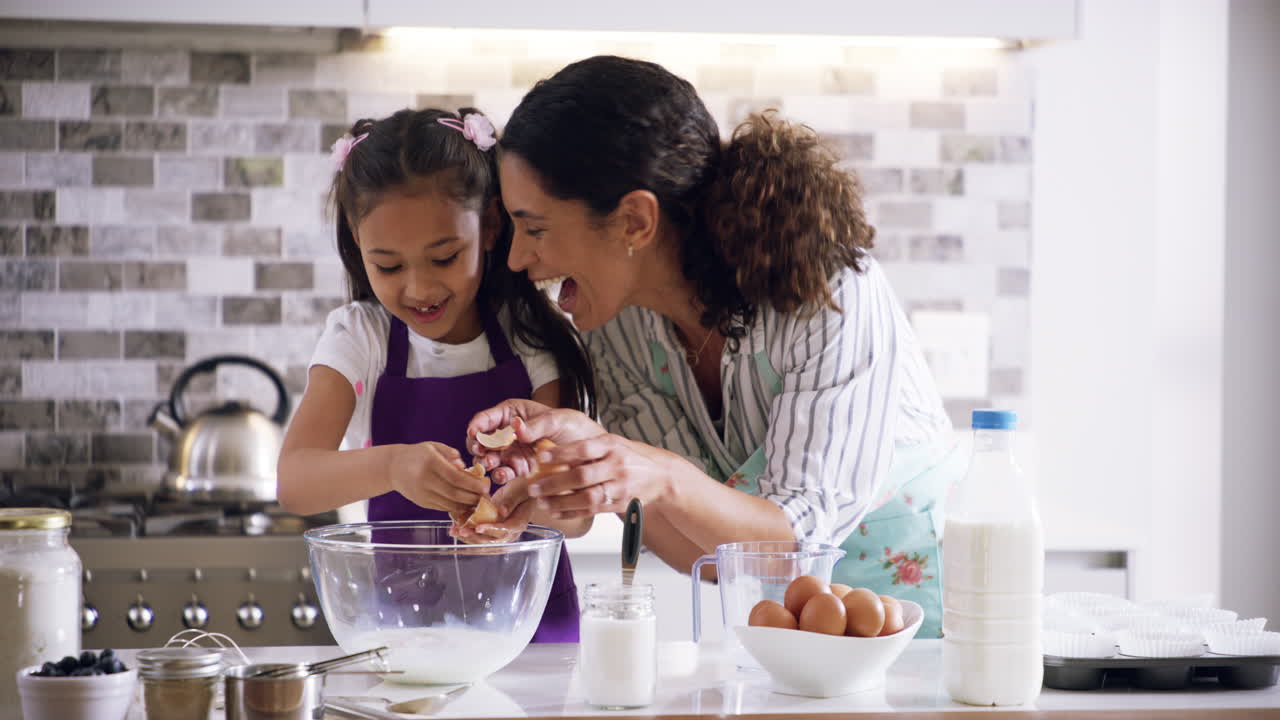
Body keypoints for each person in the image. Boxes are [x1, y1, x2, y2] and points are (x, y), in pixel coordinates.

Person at [468, 56, 963, 637]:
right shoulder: (617, 324)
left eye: (537, 228)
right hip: (776, 632)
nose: (518, 259)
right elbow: (703, 556)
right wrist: (586, 475)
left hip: (921, 624)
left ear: (634, 221)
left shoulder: (828, 293)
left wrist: (654, 473)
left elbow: (794, 544)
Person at [276, 108, 594, 642]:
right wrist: (395, 467)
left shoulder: (529, 335)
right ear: (358, 246)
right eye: (390, 267)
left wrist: (525, 500)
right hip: (406, 631)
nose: (420, 289)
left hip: (531, 628)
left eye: (445, 257)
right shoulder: (361, 339)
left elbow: (578, 517)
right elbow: (294, 483)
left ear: (490, 227)